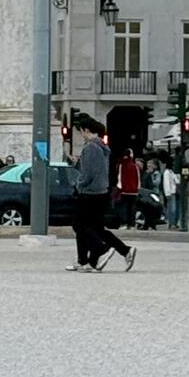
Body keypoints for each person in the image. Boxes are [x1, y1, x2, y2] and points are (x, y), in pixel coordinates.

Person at [69, 117, 134, 275]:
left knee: (80, 224)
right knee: (96, 228)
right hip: (101, 191)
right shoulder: (102, 147)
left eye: (81, 131)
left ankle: (99, 250)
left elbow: (88, 173)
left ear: (86, 130)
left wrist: (79, 185)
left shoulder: (90, 147)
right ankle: (119, 251)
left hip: (89, 192)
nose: (81, 135)